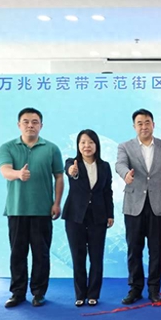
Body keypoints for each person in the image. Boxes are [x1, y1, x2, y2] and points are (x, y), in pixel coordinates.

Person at [0, 107, 64, 308]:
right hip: (16, 210)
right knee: (17, 254)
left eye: (35, 122)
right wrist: (18, 174)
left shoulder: (51, 149)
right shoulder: (7, 147)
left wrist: (57, 203)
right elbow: (5, 170)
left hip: (43, 211)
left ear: (41, 125)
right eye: (26, 121)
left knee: (41, 254)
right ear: (19, 125)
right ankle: (17, 293)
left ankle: (38, 293)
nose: (30, 125)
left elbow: (59, 177)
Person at [116, 109, 161, 304]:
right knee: (134, 250)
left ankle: (154, 290)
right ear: (134, 126)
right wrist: (126, 174)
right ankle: (135, 289)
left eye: (147, 122)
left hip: (159, 205)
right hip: (134, 205)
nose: (144, 126)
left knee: (156, 250)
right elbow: (120, 164)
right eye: (140, 123)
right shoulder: (125, 146)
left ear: (153, 124)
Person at [62, 129, 114, 307]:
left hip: (98, 216)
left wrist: (110, 214)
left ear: (96, 145)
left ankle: (93, 294)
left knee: (96, 257)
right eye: (83, 142)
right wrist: (72, 171)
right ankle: (80, 294)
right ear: (78, 145)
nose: (87, 146)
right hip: (75, 216)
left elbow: (107, 191)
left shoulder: (105, 166)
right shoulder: (72, 162)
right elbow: (70, 171)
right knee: (78, 256)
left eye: (91, 142)